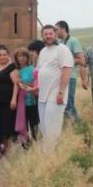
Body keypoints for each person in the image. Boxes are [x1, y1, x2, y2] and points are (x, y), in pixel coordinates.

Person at [37, 25, 74, 154]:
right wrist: (35, 87)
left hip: (55, 95)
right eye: (45, 34)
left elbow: (67, 70)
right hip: (42, 96)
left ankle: (50, 157)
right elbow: (41, 71)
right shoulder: (43, 51)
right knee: (44, 128)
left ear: (55, 34)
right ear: (42, 36)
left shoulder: (62, 49)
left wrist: (61, 92)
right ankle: (47, 155)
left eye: (50, 33)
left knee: (53, 128)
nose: (48, 36)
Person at [0, 45, 19, 155]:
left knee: (7, 125)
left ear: (8, 55)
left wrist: (14, 99)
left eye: (4, 55)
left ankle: (9, 149)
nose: (2, 57)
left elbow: (16, 84)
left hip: (7, 101)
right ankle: (2, 148)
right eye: (0, 55)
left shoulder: (12, 67)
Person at [55, 20, 85, 122]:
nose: (55, 32)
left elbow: (82, 60)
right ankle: (71, 126)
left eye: (56, 29)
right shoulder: (58, 43)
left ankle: (78, 125)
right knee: (64, 104)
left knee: (69, 104)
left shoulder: (73, 41)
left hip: (70, 77)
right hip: (60, 78)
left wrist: (67, 60)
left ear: (63, 29)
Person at [15, 48, 39, 143]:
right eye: (20, 56)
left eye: (24, 56)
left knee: (34, 122)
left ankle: (36, 141)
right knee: (23, 123)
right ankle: (26, 143)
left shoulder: (33, 69)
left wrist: (24, 84)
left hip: (32, 100)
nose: (22, 58)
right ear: (16, 58)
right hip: (20, 102)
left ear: (28, 58)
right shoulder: (15, 71)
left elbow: (36, 83)